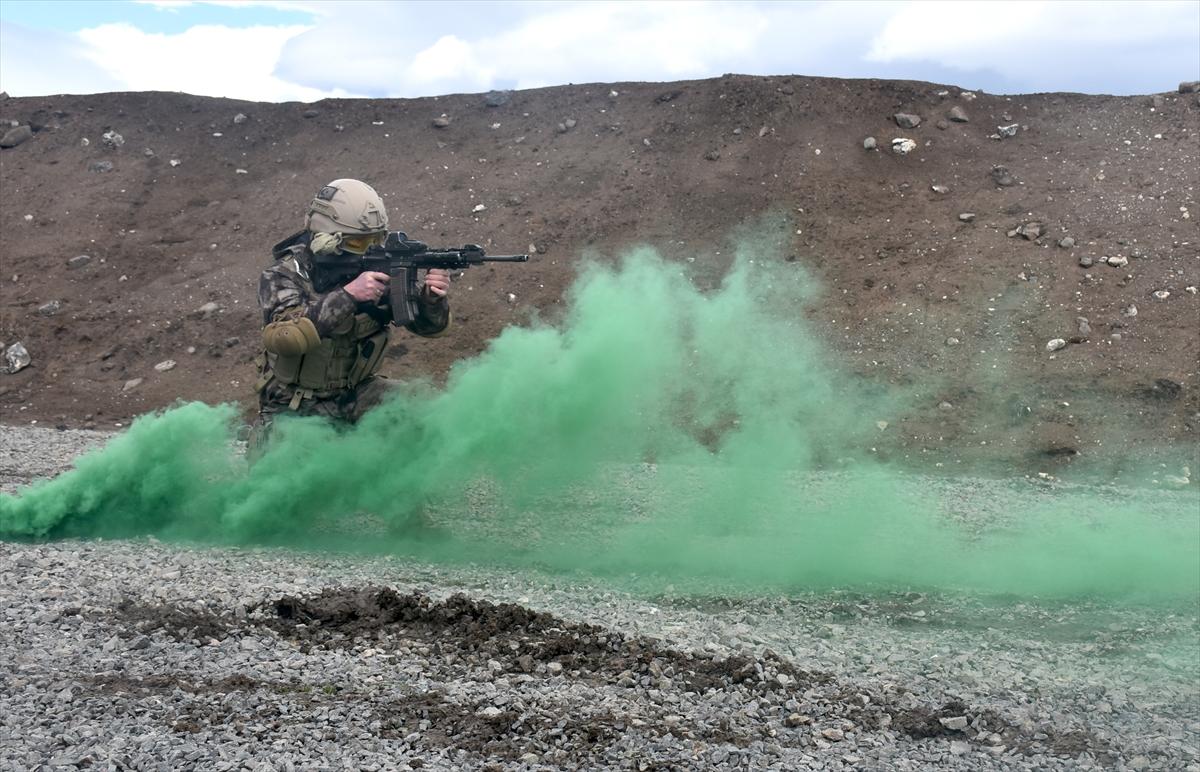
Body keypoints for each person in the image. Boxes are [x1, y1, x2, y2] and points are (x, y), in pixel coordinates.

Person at [253, 178, 451, 428]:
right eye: (358, 242)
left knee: (423, 405)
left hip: (356, 393)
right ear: (326, 238)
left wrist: (431, 301)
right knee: (293, 463)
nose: (369, 250)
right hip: (293, 403)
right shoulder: (285, 275)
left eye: (375, 239)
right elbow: (285, 338)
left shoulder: (380, 269)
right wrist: (349, 295)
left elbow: (431, 329)